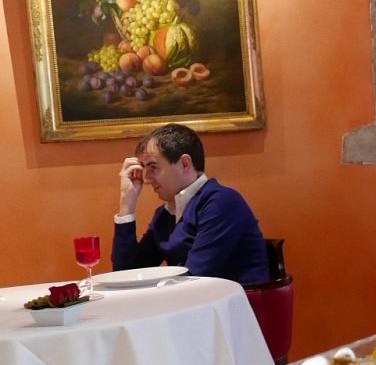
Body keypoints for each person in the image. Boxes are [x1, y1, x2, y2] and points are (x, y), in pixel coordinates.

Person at [112, 122, 269, 284]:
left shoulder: (222, 202)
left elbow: (196, 278)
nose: (146, 179)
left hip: (234, 306)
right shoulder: (165, 214)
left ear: (185, 164)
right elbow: (127, 275)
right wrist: (126, 204)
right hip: (196, 305)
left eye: (153, 167)